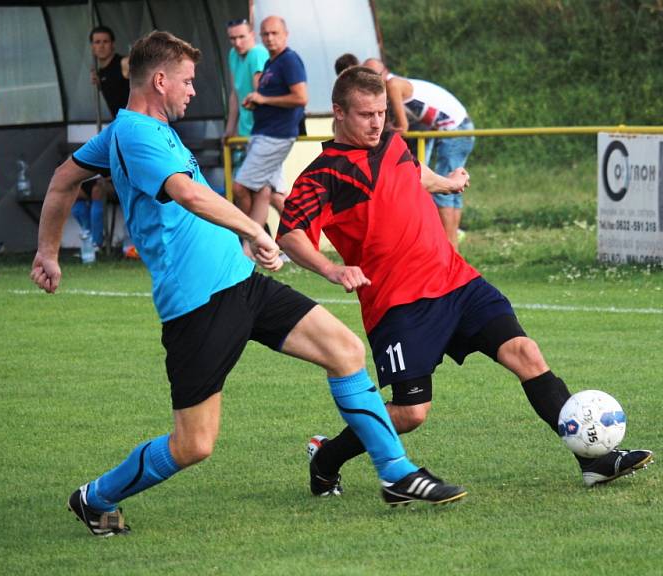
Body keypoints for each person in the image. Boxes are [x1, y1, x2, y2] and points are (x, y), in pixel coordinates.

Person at [31, 32, 466, 536]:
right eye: (188, 82)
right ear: (160, 80)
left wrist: (47, 251)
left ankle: (397, 474)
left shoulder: (136, 130)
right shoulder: (134, 134)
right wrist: (254, 228)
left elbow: (63, 178)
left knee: (344, 350)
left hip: (242, 284)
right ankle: (96, 497)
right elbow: (188, 194)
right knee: (194, 444)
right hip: (198, 304)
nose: (193, 92)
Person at [277, 66, 653, 498]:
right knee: (411, 412)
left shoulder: (393, 142)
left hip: (456, 281)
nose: (377, 122)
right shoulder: (323, 174)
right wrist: (331, 268)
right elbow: (289, 232)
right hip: (400, 304)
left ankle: (594, 461)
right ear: (338, 114)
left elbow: (412, 172)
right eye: (366, 114)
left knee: (525, 352)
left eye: (381, 111)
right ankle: (326, 457)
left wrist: (446, 183)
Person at [364, 58, 474, 252]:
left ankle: (451, 250)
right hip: (460, 128)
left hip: (455, 131)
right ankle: (453, 248)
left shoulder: (392, 85)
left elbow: (403, 127)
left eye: (371, 77)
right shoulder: (396, 83)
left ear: (383, 73)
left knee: (444, 190)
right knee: (453, 193)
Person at [232, 16, 307, 230]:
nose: (269, 38)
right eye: (265, 34)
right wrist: (256, 103)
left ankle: (252, 238)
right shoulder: (270, 62)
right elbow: (270, 98)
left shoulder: (290, 60)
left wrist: (263, 99)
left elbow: (301, 98)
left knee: (240, 188)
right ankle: (296, 241)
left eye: (275, 33)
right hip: (264, 132)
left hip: (275, 136)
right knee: (271, 194)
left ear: (286, 34)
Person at [73, 25, 135, 256]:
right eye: (96, 42)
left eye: (105, 41)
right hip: (117, 130)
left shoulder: (123, 64)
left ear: (113, 44)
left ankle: (108, 243)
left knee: (107, 187)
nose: (101, 46)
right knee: (78, 188)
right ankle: (91, 240)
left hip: (129, 130)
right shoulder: (99, 72)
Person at [223, 18, 269, 178]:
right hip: (244, 133)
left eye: (241, 37)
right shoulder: (233, 55)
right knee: (242, 189)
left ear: (252, 34)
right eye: (232, 38)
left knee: (264, 191)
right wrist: (230, 129)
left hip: (261, 135)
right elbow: (235, 94)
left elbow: (261, 95)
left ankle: (294, 204)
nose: (237, 42)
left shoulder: (258, 53)